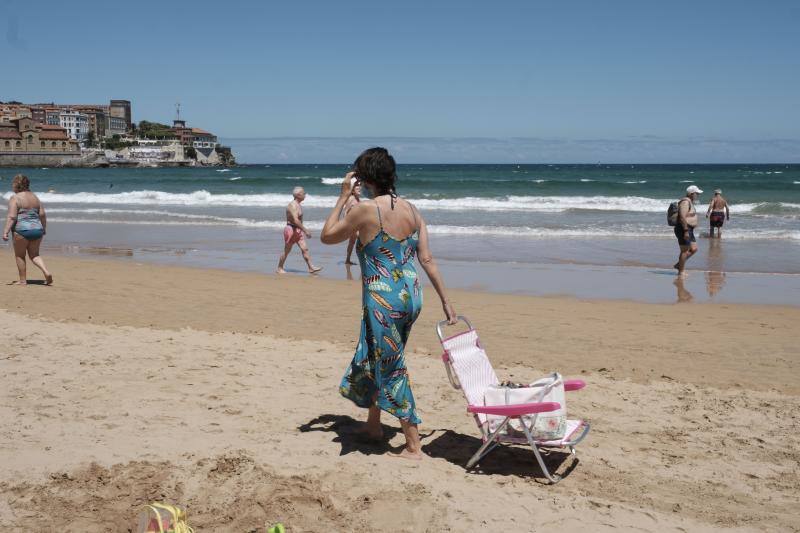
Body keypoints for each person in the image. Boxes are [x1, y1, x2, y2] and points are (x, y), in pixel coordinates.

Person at [320, 147, 457, 460]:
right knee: (375, 356)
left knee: (391, 366)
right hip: (412, 297)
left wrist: (342, 197)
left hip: (384, 300)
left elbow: (327, 235)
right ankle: (373, 426)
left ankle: (412, 445)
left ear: (365, 178)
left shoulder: (366, 209)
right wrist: (446, 302)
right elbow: (427, 259)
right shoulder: (412, 210)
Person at [2, 174, 53, 285]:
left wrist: (5, 231)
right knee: (34, 255)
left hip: (21, 231)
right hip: (37, 230)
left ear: (16, 185)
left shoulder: (15, 198)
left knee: (20, 255)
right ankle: (46, 271)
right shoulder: (35, 197)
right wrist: (43, 228)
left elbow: (12, 217)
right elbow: (42, 215)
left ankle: (22, 280)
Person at [276, 186, 322, 274]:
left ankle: (311, 267)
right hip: (290, 230)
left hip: (297, 230)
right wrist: (305, 230)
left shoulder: (298, 204)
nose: (305, 194)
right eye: (303, 193)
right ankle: (279, 268)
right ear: (298, 195)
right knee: (287, 251)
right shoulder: (292, 205)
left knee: (305, 249)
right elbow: (295, 220)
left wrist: (301, 230)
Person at [673, 185, 702, 277]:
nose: (698, 195)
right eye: (697, 193)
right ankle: (681, 272)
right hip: (683, 229)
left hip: (689, 229)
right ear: (691, 194)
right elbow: (682, 217)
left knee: (694, 249)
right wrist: (685, 230)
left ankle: (679, 265)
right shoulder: (685, 202)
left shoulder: (690, 202)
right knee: (684, 251)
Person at [343, 183, 362, 265]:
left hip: (358, 224)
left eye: (360, 188)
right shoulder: (351, 199)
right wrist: (346, 224)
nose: (360, 189)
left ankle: (348, 259)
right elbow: (345, 212)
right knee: (362, 240)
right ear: (353, 191)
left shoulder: (358, 199)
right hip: (352, 225)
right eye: (357, 189)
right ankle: (363, 260)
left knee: (352, 242)